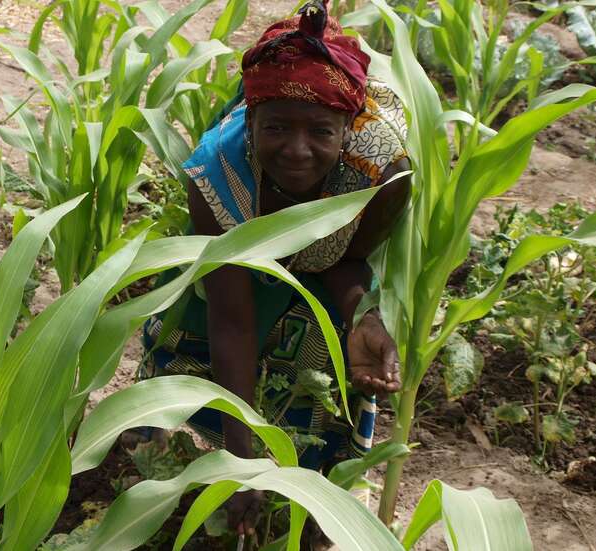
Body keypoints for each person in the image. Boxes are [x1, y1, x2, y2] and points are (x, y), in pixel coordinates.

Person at [138, 0, 410, 540]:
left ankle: (316, 504)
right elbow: (231, 319)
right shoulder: (218, 173)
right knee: (184, 337)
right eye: (277, 128)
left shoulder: (383, 171)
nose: (298, 150)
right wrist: (243, 469)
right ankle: (178, 459)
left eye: (321, 132)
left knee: (326, 365)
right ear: (251, 120)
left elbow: (350, 258)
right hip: (236, 273)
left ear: (348, 128)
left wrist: (364, 317)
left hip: (328, 264)